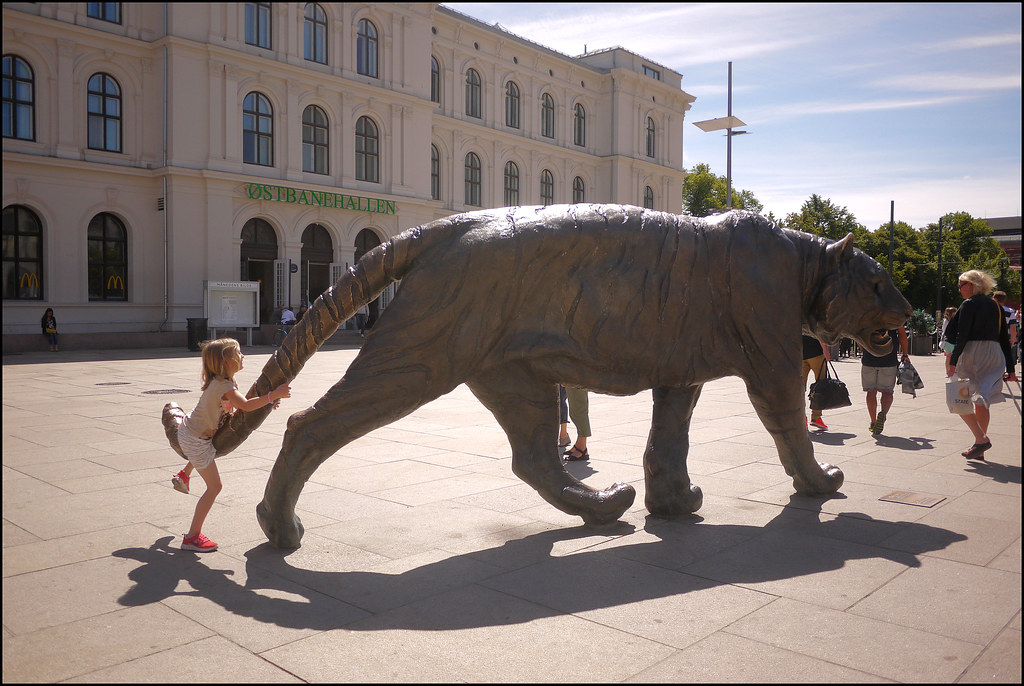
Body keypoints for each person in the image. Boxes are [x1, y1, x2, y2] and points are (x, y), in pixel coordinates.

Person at [170, 338, 291, 552]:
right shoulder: (224, 385)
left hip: (196, 433)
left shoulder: (223, 382)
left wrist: (266, 403)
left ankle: (184, 474)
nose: (243, 356)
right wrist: (273, 395)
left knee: (213, 453)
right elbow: (244, 406)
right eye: (239, 353)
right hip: (196, 440)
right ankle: (191, 537)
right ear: (226, 361)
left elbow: (231, 409)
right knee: (214, 487)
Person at [947, 270, 1014, 461]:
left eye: (961, 285)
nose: (959, 290)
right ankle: (980, 447)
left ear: (971, 285)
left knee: (956, 398)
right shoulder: (996, 306)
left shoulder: (969, 304)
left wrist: (953, 361)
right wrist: (1010, 368)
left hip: (973, 354)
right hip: (994, 354)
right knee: (982, 401)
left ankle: (981, 439)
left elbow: (963, 335)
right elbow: (1004, 338)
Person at [862, 325, 909, 435]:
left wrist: (864, 349)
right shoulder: (894, 312)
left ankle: (873, 422)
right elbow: (902, 334)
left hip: (869, 358)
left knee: (870, 391)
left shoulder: (867, 312)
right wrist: (905, 354)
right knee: (887, 391)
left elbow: (858, 334)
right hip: (889, 358)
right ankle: (883, 414)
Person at [802, 334, 831, 430]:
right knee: (821, 386)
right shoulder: (812, 318)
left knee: (799, 389)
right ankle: (816, 417)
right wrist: (825, 350)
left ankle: (801, 419)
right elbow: (819, 332)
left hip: (800, 354)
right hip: (816, 353)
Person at [560, 385, 591, 461]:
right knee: (575, 412)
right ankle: (579, 445)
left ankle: (582, 448)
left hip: (577, 377)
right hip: (574, 377)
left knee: (579, 411)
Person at [993, 291, 1018, 381]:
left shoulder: (992, 309)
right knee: (1003, 358)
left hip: (992, 338)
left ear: (995, 298)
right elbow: (1013, 328)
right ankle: (1002, 374)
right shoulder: (1010, 311)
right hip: (1005, 338)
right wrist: (1012, 340)